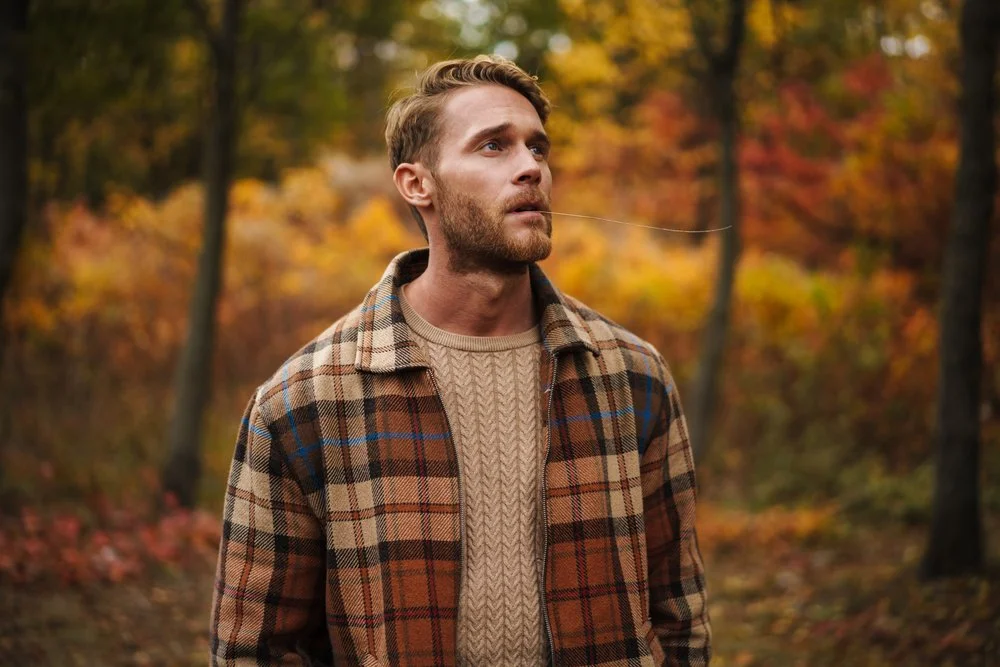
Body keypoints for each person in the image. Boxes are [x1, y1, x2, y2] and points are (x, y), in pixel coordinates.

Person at [210, 54, 711, 666]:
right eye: (494, 147)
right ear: (417, 184)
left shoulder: (632, 377)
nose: (531, 167)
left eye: (537, 147)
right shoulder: (305, 402)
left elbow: (679, 616)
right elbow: (257, 651)